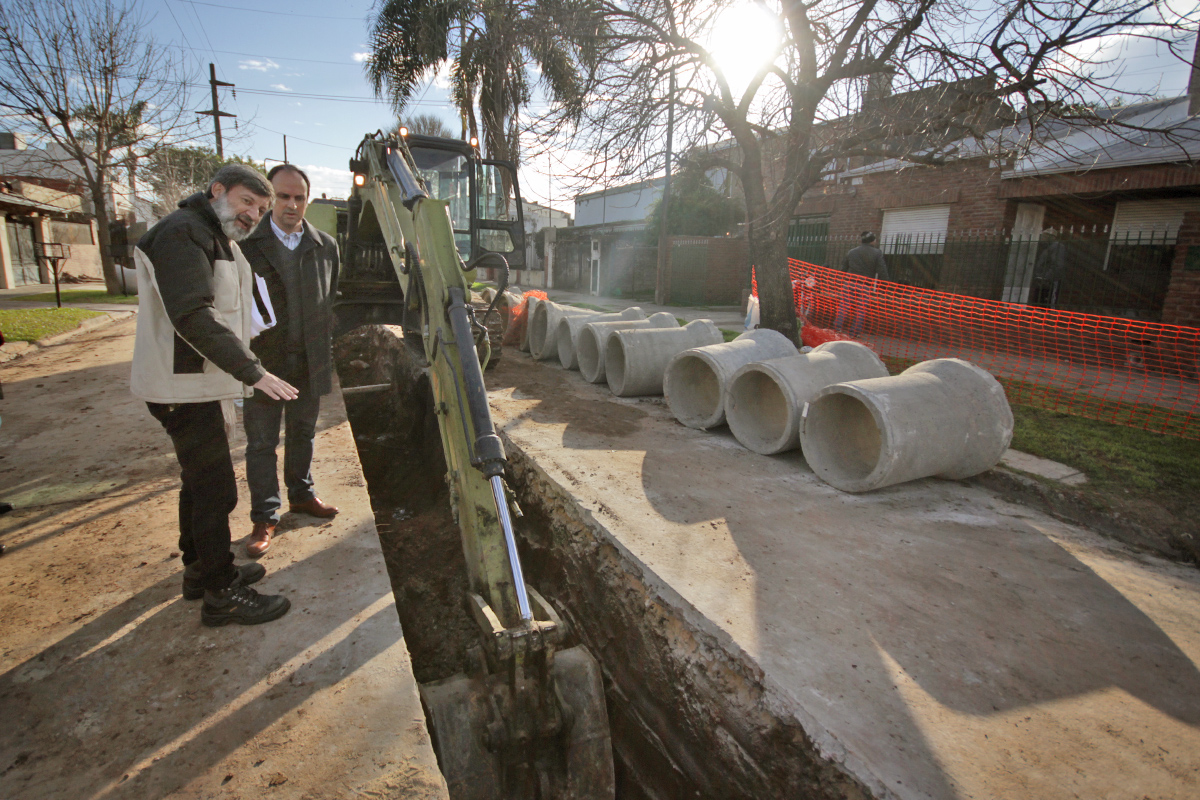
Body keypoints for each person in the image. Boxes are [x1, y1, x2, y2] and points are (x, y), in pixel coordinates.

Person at [131, 164, 299, 627]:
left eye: (260, 209)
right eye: (248, 202)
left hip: (194, 383)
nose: (253, 214)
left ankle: (200, 570)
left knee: (197, 483)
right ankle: (221, 594)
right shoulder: (183, 233)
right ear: (218, 190)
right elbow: (191, 314)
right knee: (215, 490)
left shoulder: (212, 235)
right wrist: (252, 371)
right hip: (182, 386)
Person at [238, 164, 341, 558]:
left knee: (303, 434)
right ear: (270, 198)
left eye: (299, 197)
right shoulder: (246, 245)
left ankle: (301, 495)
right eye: (283, 196)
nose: (292, 205)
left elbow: (329, 299)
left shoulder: (324, 246)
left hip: (308, 360)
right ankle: (264, 516)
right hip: (264, 365)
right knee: (262, 443)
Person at [836, 231, 890, 334]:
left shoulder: (851, 252)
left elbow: (843, 268)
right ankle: (855, 332)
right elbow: (882, 270)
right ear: (873, 241)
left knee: (844, 306)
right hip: (865, 284)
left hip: (850, 282)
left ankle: (837, 327)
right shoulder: (877, 253)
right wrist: (887, 284)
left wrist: (840, 280)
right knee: (861, 309)